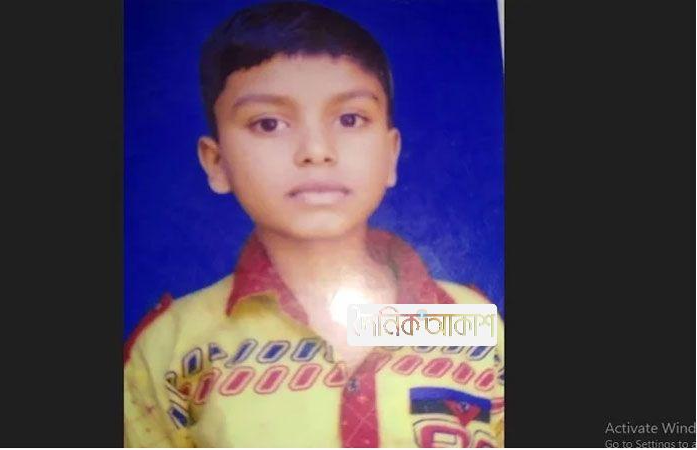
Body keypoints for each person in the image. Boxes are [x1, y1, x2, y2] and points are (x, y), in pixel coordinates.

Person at [124, 1, 504, 447]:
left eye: (350, 119)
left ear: (390, 155)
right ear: (217, 162)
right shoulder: (171, 347)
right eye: (269, 124)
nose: (316, 150)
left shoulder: (471, 322)